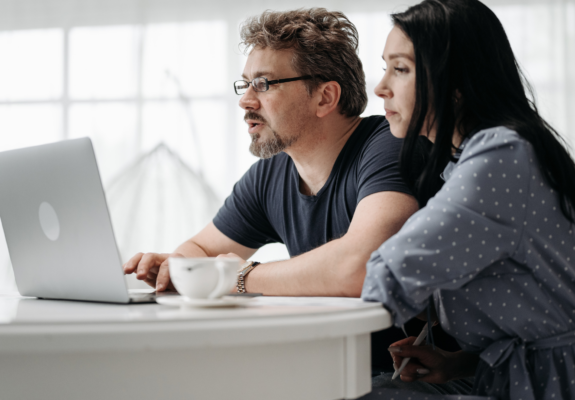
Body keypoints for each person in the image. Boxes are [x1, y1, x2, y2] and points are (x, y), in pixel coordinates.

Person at [360, 0, 575, 399]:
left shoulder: (502, 156)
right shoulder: (488, 154)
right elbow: (539, 323)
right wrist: (459, 362)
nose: (381, 86)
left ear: (456, 85)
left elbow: (390, 271)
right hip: (534, 375)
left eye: (401, 69)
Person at [122, 8, 425, 372]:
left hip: (415, 377)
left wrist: (237, 277)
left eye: (264, 84)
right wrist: (181, 268)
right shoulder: (270, 174)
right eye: (245, 83)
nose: (246, 101)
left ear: (325, 98)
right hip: (330, 371)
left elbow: (359, 268)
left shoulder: (389, 148)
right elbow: (199, 249)